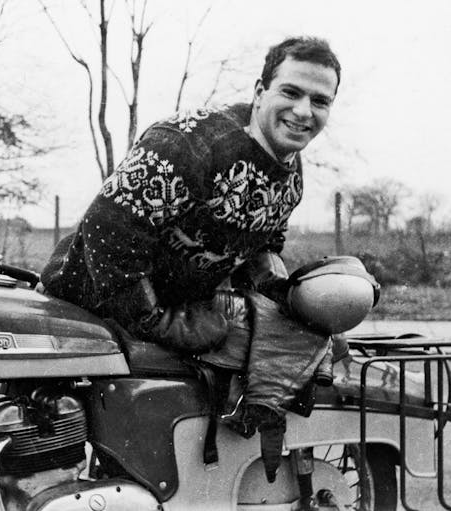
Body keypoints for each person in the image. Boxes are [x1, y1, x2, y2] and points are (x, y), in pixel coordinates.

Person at [42, 36, 342, 481]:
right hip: (92, 300)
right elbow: (109, 230)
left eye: (320, 101)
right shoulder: (188, 143)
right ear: (260, 92)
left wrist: (276, 290)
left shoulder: (290, 176)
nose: (303, 111)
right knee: (63, 436)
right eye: (291, 92)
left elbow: (262, 245)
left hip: (180, 306)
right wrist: (152, 318)